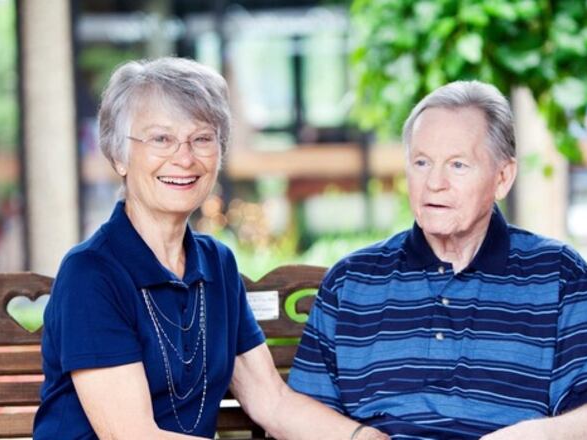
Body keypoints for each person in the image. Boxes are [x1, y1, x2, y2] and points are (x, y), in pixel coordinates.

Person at [33, 57, 388, 440]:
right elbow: (132, 435)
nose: (184, 158)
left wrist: (362, 437)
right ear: (119, 155)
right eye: (161, 139)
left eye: (202, 138)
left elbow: (272, 402)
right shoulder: (91, 274)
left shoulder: (216, 264)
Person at [288, 81, 587, 439]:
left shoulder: (559, 274)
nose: (435, 182)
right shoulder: (352, 281)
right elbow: (306, 412)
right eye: (421, 162)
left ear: (503, 177)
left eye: (458, 165)